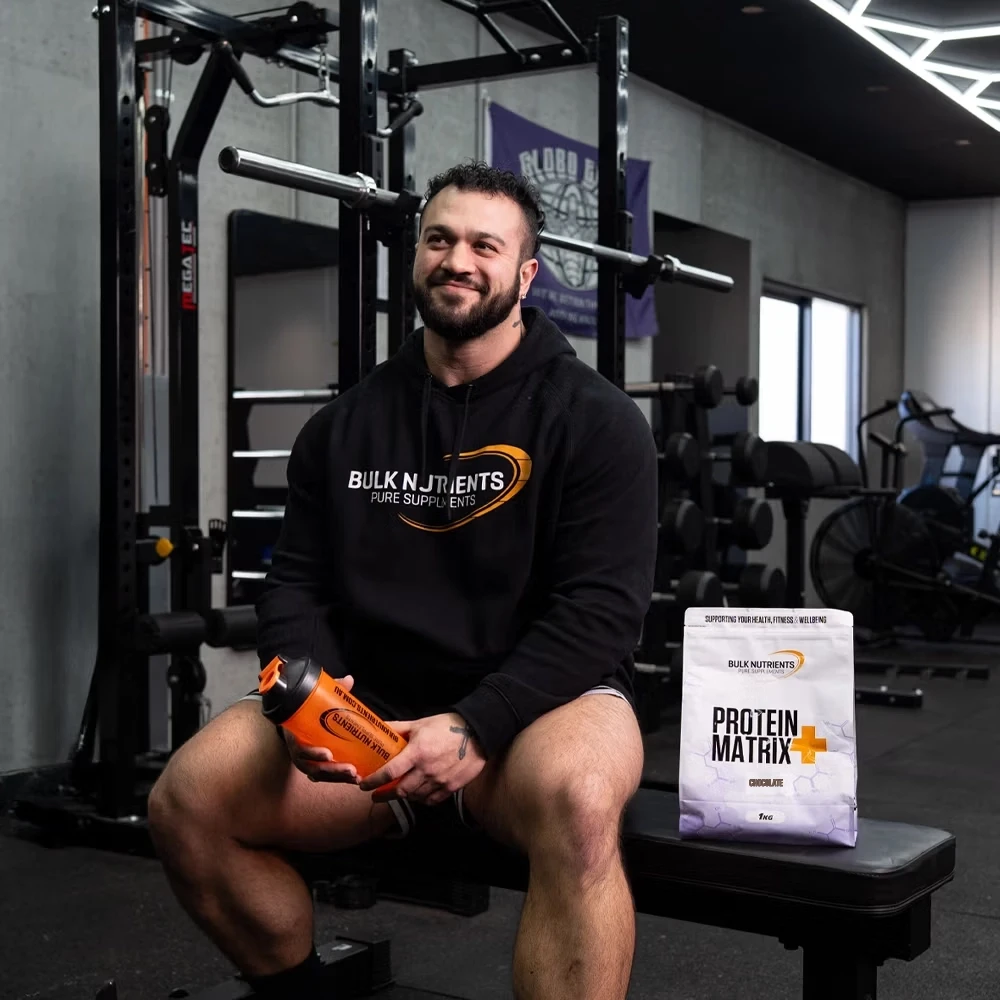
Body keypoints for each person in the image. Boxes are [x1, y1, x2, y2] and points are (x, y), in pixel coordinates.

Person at [148, 161, 658, 1000]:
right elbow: (296, 586)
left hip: (538, 714)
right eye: (439, 240)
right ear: (416, 255)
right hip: (375, 723)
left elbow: (601, 613)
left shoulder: (596, 421)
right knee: (187, 798)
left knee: (580, 799)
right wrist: (307, 702)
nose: (457, 260)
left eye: (485, 246)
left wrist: (475, 724)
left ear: (526, 274)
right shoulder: (344, 426)